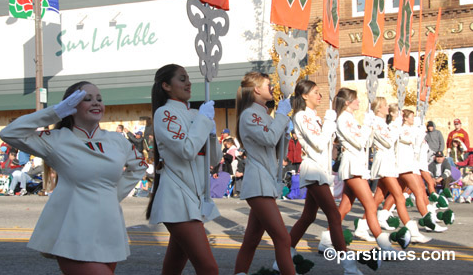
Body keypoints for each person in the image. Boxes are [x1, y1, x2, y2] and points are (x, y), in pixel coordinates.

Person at [0, 81, 147, 275]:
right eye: (87, 99)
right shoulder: (56, 139)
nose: (96, 103)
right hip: (73, 229)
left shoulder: (117, 140)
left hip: (109, 228)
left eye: (99, 99)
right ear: (71, 106)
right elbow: (9, 133)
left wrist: (112, 194)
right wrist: (55, 112)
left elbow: (139, 166)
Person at [146, 64, 220, 275]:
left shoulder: (198, 114)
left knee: (173, 267)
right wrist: (203, 121)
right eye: (182, 79)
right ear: (166, 85)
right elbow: (186, 150)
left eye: (188, 78)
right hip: (177, 197)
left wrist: (211, 133)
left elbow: (213, 159)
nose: (188, 83)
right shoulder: (164, 113)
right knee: (209, 268)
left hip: (194, 197)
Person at [286, 80, 362, 273]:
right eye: (316, 92)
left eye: (319, 92)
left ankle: (283, 256)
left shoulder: (312, 116)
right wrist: (329, 122)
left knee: (308, 216)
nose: (320, 96)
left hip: (321, 170)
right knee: (334, 216)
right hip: (313, 170)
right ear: (304, 96)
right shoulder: (302, 116)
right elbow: (318, 143)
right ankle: (349, 266)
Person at [233, 72, 297, 275]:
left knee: (251, 241)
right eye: (268, 85)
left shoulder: (261, 113)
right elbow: (268, 139)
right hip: (258, 181)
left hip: (266, 180)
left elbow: (275, 148)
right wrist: (280, 117)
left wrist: (284, 131)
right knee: (282, 238)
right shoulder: (250, 114)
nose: (272, 88)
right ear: (256, 89)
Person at [334, 88, 408, 254]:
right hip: (352, 166)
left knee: (344, 208)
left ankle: (328, 238)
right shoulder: (343, 119)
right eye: (355, 99)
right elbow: (359, 141)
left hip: (358, 165)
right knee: (371, 206)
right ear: (347, 102)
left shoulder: (350, 118)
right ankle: (384, 245)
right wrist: (368, 127)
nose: (359, 102)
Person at [362, 97, 430, 244]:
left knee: (378, 198)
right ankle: (413, 231)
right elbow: (388, 141)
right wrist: (395, 125)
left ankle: (361, 226)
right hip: (384, 163)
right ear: (379, 109)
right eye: (385, 105)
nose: (387, 108)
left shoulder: (383, 124)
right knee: (399, 197)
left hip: (389, 162)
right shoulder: (377, 123)